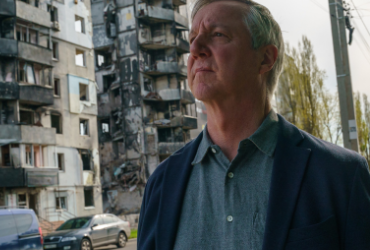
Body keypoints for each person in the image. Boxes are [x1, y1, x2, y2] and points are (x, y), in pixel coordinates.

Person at [137, 0, 370, 249]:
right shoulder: (160, 185)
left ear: (265, 58)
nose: (194, 48)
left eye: (217, 34)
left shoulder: (340, 174)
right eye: (193, 37)